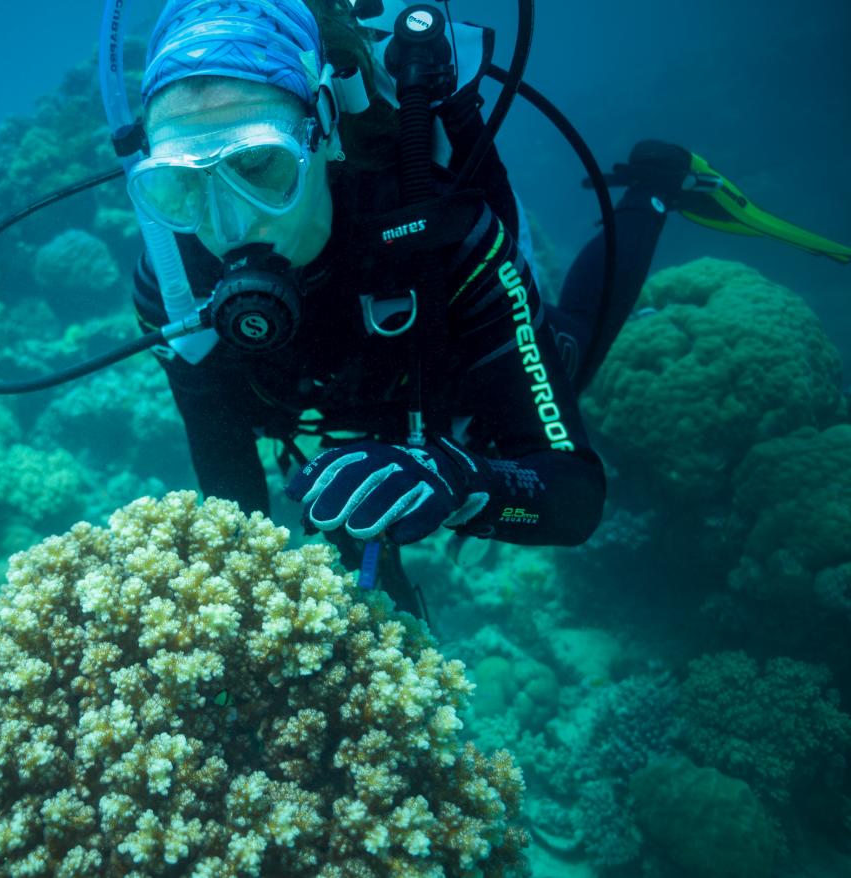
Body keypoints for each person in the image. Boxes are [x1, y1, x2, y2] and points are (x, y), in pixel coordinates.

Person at [119, 0, 842, 613]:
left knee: (574, 347)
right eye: (180, 185)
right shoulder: (174, 282)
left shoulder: (444, 235)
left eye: (260, 165)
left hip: (446, 365)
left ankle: (655, 191)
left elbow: (571, 496)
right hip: (344, 402)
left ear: (324, 131)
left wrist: (467, 482)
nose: (229, 224)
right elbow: (229, 490)